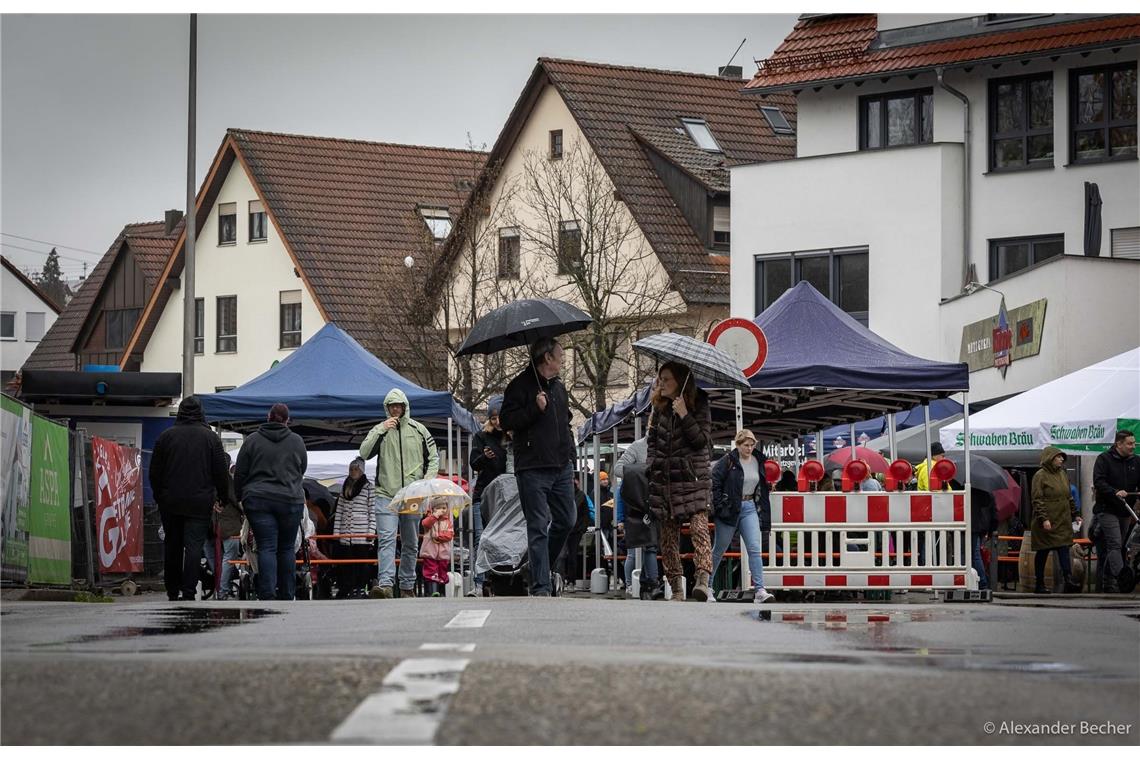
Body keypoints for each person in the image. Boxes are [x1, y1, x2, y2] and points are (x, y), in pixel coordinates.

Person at [499, 337, 576, 597]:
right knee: (538, 525)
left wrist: (572, 460)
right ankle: (541, 586)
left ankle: (537, 567)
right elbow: (506, 421)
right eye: (561, 355)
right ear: (547, 358)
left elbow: (566, 425)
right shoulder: (519, 386)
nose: (563, 360)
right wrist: (534, 408)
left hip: (561, 466)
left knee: (567, 520)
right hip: (532, 467)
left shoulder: (558, 387)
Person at [359, 388, 440, 599]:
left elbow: (434, 457)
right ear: (387, 408)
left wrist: (426, 482)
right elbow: (364, 453)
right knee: (386, 539)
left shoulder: (419, 430)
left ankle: (406, 586)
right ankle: (385, 585)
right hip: (386, 494)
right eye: (392, 406)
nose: (396, 409)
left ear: (405, 407)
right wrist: (380, 429)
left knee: (411, 543)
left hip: (413, 495)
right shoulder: (380, 430)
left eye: (399, 406)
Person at [149, 395, 231, 602]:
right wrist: (222, 496)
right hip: (200, 501)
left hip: (171, 501)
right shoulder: (211, 438)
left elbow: (155, 472)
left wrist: (160, 496)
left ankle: (172, 590)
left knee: (173, 546)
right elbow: (220, 471)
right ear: (201, 412)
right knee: (194, 546)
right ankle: (188, 591)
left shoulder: (166, 437)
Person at [646, 361, 713, 602]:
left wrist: (684, 413)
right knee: (668, 536)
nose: (661, 383)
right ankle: (675, 587)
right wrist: (653, 463)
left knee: (698, 528)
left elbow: (701, 441)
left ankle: (703, 580)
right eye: (660, 379)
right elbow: (651, 441)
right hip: (666, 480)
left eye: (666, 379)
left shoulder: (700, 402)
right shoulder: (658, 407)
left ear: (681, 380)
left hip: (693, 478)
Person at [234, 403, 308, 601]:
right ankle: (287, 593)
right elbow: (302, 468)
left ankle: (267, 593)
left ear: (268, 417)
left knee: (266, 546)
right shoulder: (297, 441)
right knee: (286, 548)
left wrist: (240, 498)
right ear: (287, 420)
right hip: (290, 500)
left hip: (258, 500)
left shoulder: (252, 441)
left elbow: (240, 473)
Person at [710, 429, 775, 604]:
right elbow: (714, 482)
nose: (749, 448)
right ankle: (707, 586)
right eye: (745, 445)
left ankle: (760, 589)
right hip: (730, 508)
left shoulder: (758, 461)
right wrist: (720, 505)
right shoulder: (727, 461)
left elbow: (759, 484)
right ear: (737, 445)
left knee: (755, 548)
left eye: (752, 444)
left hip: (749, 506)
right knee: (719, 549)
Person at [1091, 429, 1139, 592]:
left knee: (1119, 547)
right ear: (1119, 444)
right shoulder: (1104, 459)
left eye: (1134, 443)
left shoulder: (1135, 461)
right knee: (1115, 544)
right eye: (1129, 443)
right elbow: (1099, 481)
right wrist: (1114, 491)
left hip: (1125, 510)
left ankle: (1107, 582)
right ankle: (1122, 578)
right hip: (1107, 508)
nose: (1133, 446)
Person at [469, 396, 507, 596]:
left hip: (507, 497)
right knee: (480, 538)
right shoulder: (481, 436)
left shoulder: (512, 436)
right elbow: (473, 463)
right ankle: (479, 582)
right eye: (493, 418)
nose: (497, 422)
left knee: (503, 538)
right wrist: (484, 457)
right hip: (483, 494)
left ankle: (502, 578)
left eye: (500, 417)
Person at [1031, 446, 1081, 594]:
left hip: (1062, 519)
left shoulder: (1062, 474)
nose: (1062, 460)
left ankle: (1068, 580)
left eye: (1062, 457)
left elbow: (1068, 496)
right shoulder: (1040, 476)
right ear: (1050, 459)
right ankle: (1039, 584)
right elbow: (1037, 499)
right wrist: (1044, 518)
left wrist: (1075, 513)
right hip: (1046, 521)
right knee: (1043, 551)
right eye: (1058, 457)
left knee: (1063, 548)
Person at [615, 436, 659, 598]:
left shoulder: (668, 445)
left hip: (655, 504)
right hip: (638, 507)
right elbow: (619, 469)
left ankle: (649, 584)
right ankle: (636, 584)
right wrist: (644, 473)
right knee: (639, 550)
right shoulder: (638, 446)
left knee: (651, 547)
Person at [333, 457, 376, 599]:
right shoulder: (345, 487)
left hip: (362, 532)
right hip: (346, 532)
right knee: (347, 563)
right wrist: (336, 532)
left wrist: (371, 531)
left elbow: (372, 510)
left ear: (362, 471)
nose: (353, 471)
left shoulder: (369, 487)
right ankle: (347, 587)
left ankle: (360, 587)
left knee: (362, 562)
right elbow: (339, 510)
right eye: (351, 469)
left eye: (356, 469)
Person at [212, 466, 244, 600]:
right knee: (229, 559)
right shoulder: (227, 482)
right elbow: (236, 501)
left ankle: (222, 588)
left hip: (221, 525)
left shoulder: (214, 481)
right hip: (230, 526)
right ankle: (223, 590)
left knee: (223, 559)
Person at [419, 496, 455, 597]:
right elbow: (425, 524)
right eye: (438, 508)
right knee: (431, 571)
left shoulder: (447, 522)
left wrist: (438, 536)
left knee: (442, 571)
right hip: (430, 551)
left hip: (443, 553)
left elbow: (450, 535)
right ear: (433, 509)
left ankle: (442, 590)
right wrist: (434, 517)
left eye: (444, 508)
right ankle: (433, 590)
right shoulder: (430, 519)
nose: (442, 511)